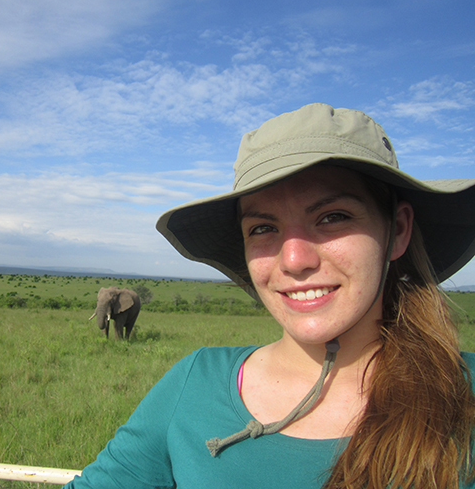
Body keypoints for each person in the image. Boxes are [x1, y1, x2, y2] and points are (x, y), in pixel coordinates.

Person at [63, 103, 475, 488]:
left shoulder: (463, 393)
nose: (294, 260)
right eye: (262, 228)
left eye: (333, 217)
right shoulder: (192, 385)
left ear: (398, 230)